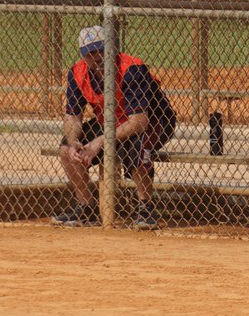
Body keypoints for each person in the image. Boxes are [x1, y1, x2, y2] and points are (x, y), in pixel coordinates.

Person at [51, 26, 177, 230]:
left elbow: (139, 121)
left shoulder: (131, 68)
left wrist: (100, 141)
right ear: (84, 56)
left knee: (137, 146)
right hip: (110, 121)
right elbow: (72, 116)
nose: (98, 57)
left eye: (102, 50)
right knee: (66, 149)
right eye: (91, 53)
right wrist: (75, 141)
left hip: (154, 120)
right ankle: (86, 207)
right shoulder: (77, 73)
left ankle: (146, 207)